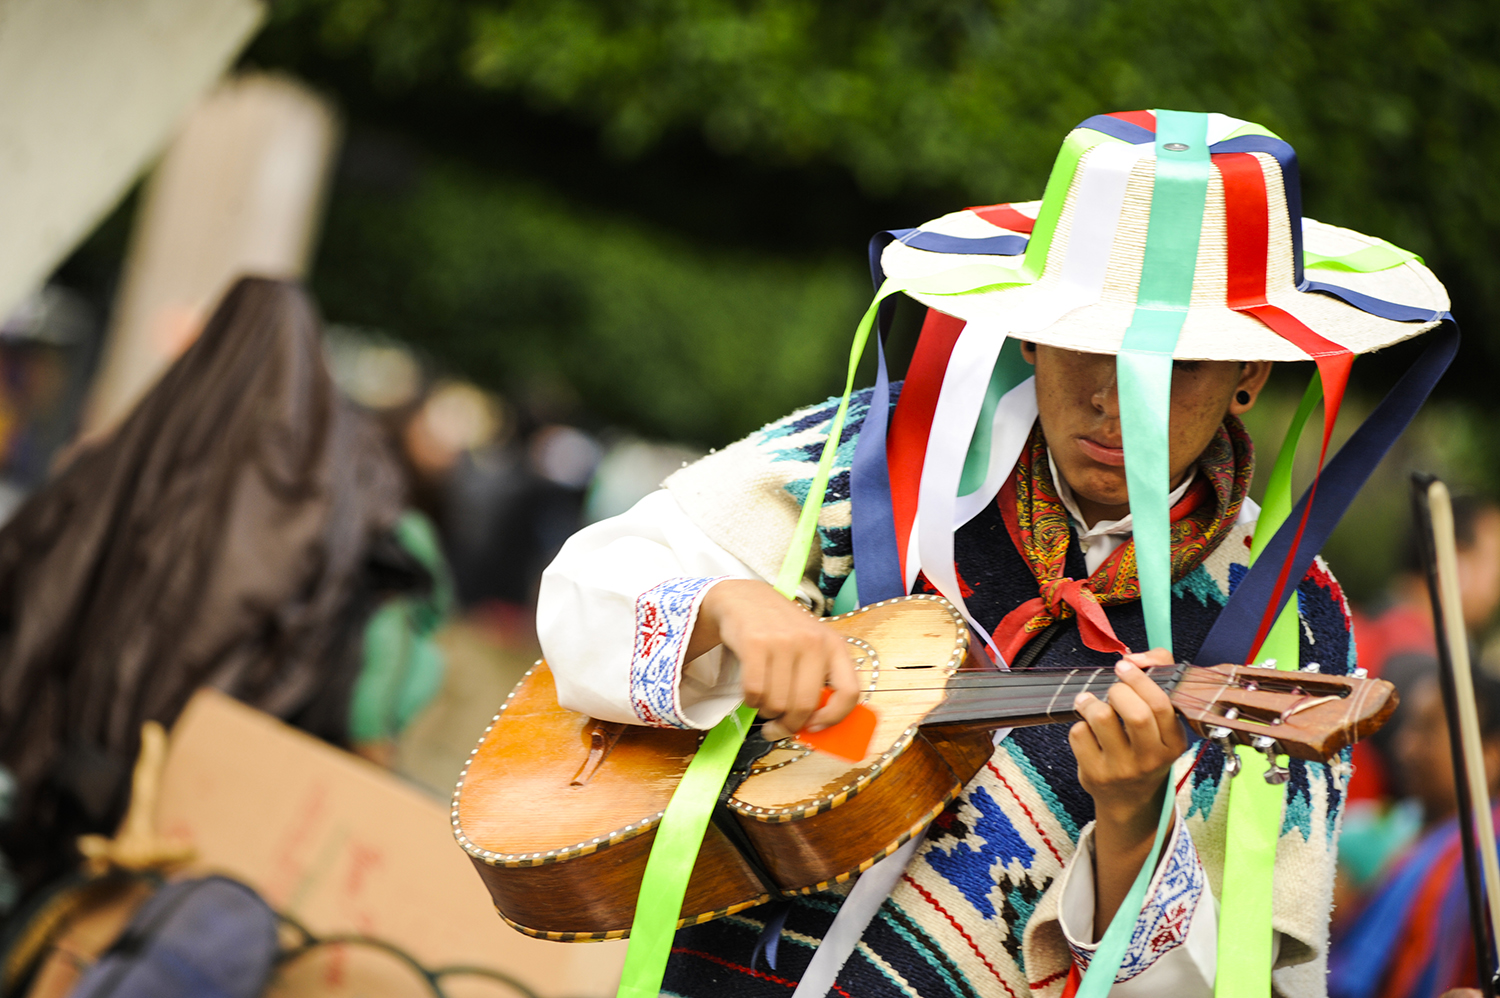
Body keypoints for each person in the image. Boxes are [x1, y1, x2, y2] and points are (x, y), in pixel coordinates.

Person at [537, 111, 1453, 996]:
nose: (1113, 402)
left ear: (1249, 374)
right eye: (1086, 344)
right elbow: (589, 588)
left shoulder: (1294, 624)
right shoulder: (873, 459)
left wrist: (1134, 827)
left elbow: (1247, 980)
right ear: (1029, 331)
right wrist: (722, 609)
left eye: (1175, 366)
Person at [1329, 671, 1500, 998]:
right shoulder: (1421, 836)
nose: (1404, 747)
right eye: (1409, 727)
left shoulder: (1486, 848)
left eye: (1427, 730)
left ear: (1491, 754)